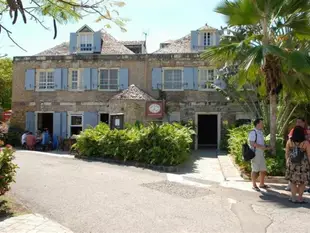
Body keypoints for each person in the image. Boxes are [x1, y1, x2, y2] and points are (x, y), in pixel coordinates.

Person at [285, 126, 310, 203]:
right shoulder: (305, 143)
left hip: (292, 163)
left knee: (293, 181)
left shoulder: (289, 141)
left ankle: (293, 197)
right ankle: (300, 198)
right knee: (302, 182)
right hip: (303, 164)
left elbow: (287, 152)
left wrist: (287, 161)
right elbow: (309, 154)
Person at [248, 118, 271, 191]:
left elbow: (260, 143)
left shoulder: (260, 132)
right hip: (256, 153)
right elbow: (252, 143)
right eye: (261, 123)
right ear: (257, 124)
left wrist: (266, 147)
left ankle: (261, 184)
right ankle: (254, 185)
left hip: (261, 152)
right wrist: (262, 147)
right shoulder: (253, 132)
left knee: (263, 169)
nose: (263, 124)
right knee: (255, 169)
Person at [285, 117, 307, 191]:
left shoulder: (306, 131)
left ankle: (294, 195)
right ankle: (296, 192)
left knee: (298, 175)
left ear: (304, 123)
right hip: (297, 156)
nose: (298, 123)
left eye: (300, 122)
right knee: (296, 176)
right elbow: (289, 144)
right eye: (297, 122)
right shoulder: (293, 130)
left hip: (302, 155)